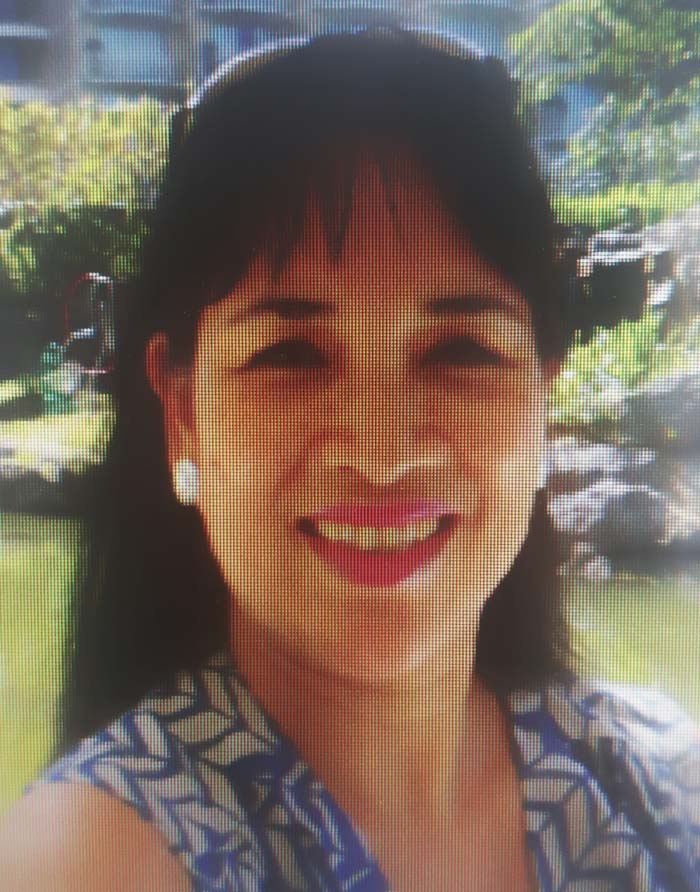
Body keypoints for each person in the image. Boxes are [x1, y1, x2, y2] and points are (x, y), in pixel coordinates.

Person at [2, 29, 699, 892]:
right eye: (289, 354)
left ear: (540, 404)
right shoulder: (86, 860)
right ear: (182, 415)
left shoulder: (663, 787)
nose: (383, 454)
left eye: (461, 350)